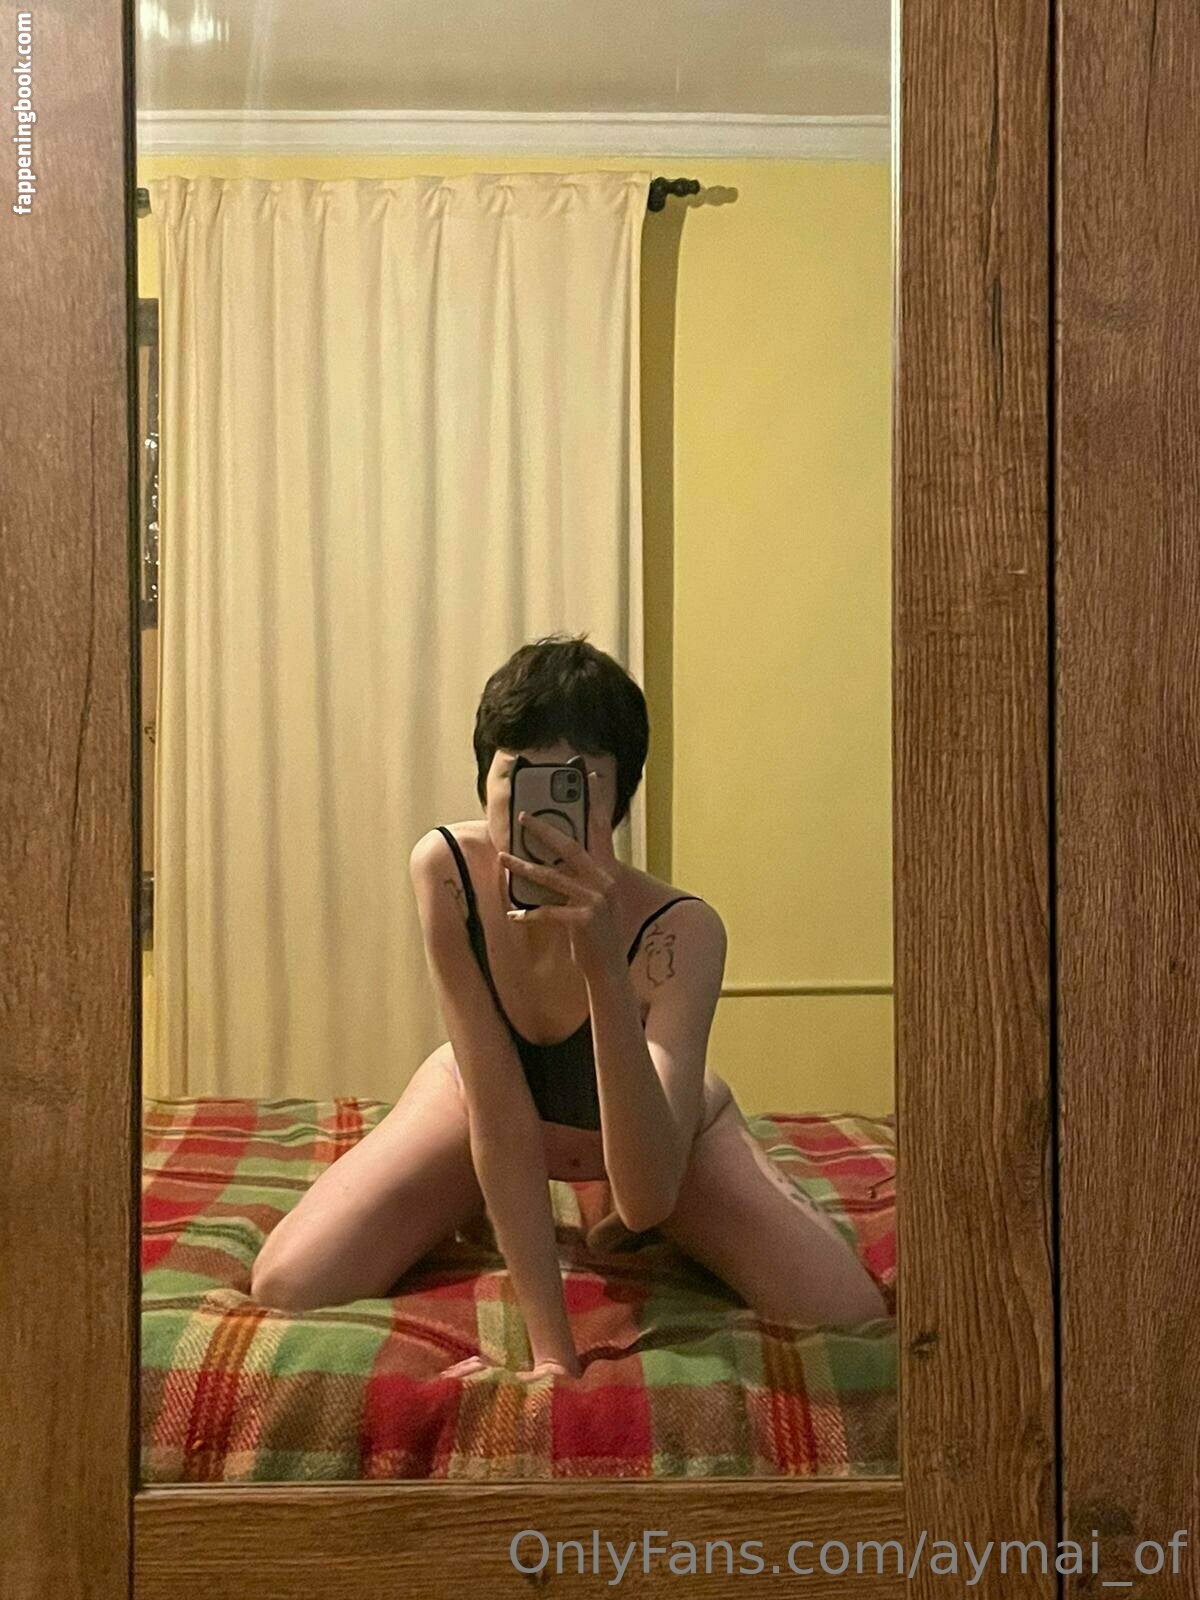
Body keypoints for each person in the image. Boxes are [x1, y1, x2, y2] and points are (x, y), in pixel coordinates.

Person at [250, 632, 887, 1374]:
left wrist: (605, 972)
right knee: (289, 1282)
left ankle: (614, 1219)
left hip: (660, 1137)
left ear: (617, 799)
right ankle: (470, 1201)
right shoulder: (447, 873)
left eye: (575, 782)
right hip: (478, 1097)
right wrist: (553, 1355)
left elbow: (648, 1197)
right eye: (519, 775)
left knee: (847, 1312)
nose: (540, 814)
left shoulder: (682, 931)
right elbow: (501, 1122)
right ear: (485, 780)